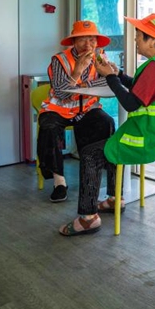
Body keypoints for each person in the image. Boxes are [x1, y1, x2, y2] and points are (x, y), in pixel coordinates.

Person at [58, 13, 155, 236]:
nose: (135, 40)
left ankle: (87, 219)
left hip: (148, 138)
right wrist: (118, 74)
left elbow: (131, 103)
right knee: (110, 141)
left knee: (90, 154)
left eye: (138, 35)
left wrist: (109, 77)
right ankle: (115, 199)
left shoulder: (153, 67)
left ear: (152, 39)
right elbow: (140, 87)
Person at [37, 21, 115, 203]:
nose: (88, 45)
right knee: (48, 126)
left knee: (106, 122)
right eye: (82, 40)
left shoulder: (101, 57)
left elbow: (109, 81)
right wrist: (78, 69)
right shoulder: (59, 60)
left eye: (92, 39)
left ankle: (96, 174)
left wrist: (81, 85)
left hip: (87, 108)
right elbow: (61, 92)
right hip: (59, 109)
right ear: (73, 41)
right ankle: (59, 182)